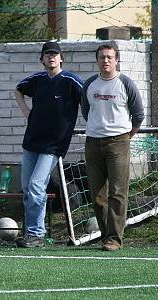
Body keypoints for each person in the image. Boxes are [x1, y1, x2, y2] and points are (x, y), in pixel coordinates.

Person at [14, 41, 83, 248]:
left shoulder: (71, 81)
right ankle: (31, 232)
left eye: (55, 54)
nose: (51, 57)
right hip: (32, 141)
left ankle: (37, 234)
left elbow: (88, 99)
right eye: (47, 54)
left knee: (36, 185)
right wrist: (26, 112)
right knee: (27, 188)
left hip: (54, 145)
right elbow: (18, 90)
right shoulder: (37, 80)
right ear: (42, 59)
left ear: (61, 58)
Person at [81, 44, 145, 251]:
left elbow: (138, 115)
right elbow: (86, 111)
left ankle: (115, 239)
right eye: (101, 57)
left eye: (109, 57)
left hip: (119, 142)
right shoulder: (90, 84)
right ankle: (104, 235)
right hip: (92, 142)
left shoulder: (125, 83)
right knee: (97, 195)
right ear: (97, 60)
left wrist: (125, 136)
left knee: (117, 192)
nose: (105, 60)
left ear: (116, 60)